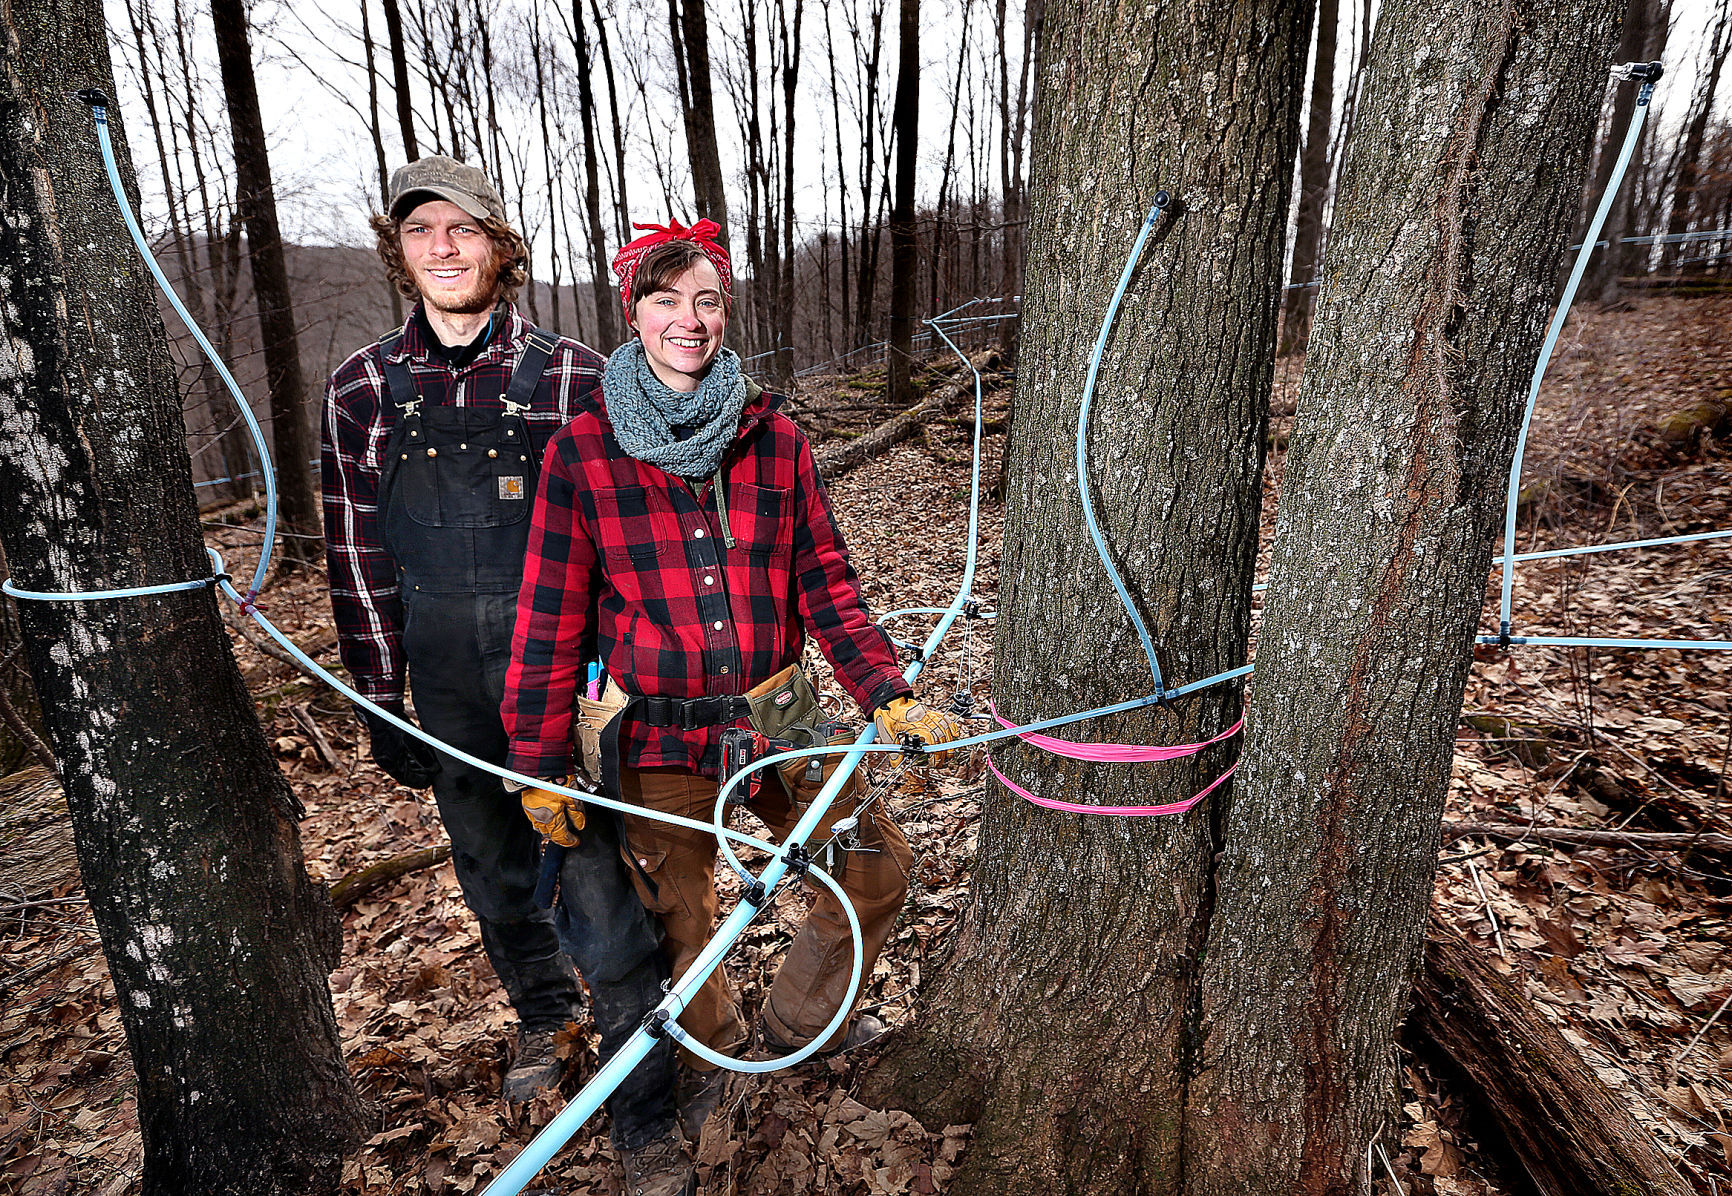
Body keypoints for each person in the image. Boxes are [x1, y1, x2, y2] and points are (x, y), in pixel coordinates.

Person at [500, 219, 963, 1148]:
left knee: (872, 868)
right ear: (634, 314)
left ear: (726, 312)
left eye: (707, 299)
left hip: (779, 719)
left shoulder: (775, 439)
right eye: (667, 299)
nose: (690, 319)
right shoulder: (581, 454)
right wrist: (535, 763)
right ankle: (717, 1065)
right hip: (657, 736)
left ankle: (796, 1033)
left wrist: (884, 690)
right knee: (684, 925)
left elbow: (826, 583)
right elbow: (547, 617)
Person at [321, 156, 685, 1190]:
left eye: (463, 228)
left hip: (564, 680)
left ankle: (643, 1105)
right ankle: (544, 1015)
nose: (442, 246)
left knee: (599, 879)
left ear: (500, 245)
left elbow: (635, 536)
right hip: (441, 680)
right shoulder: (360, 390)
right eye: (421, 230)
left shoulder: (574, 376)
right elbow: (356, 554)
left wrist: (617, 676)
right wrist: (377, 694)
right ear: (400, 252)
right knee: (488, 870)